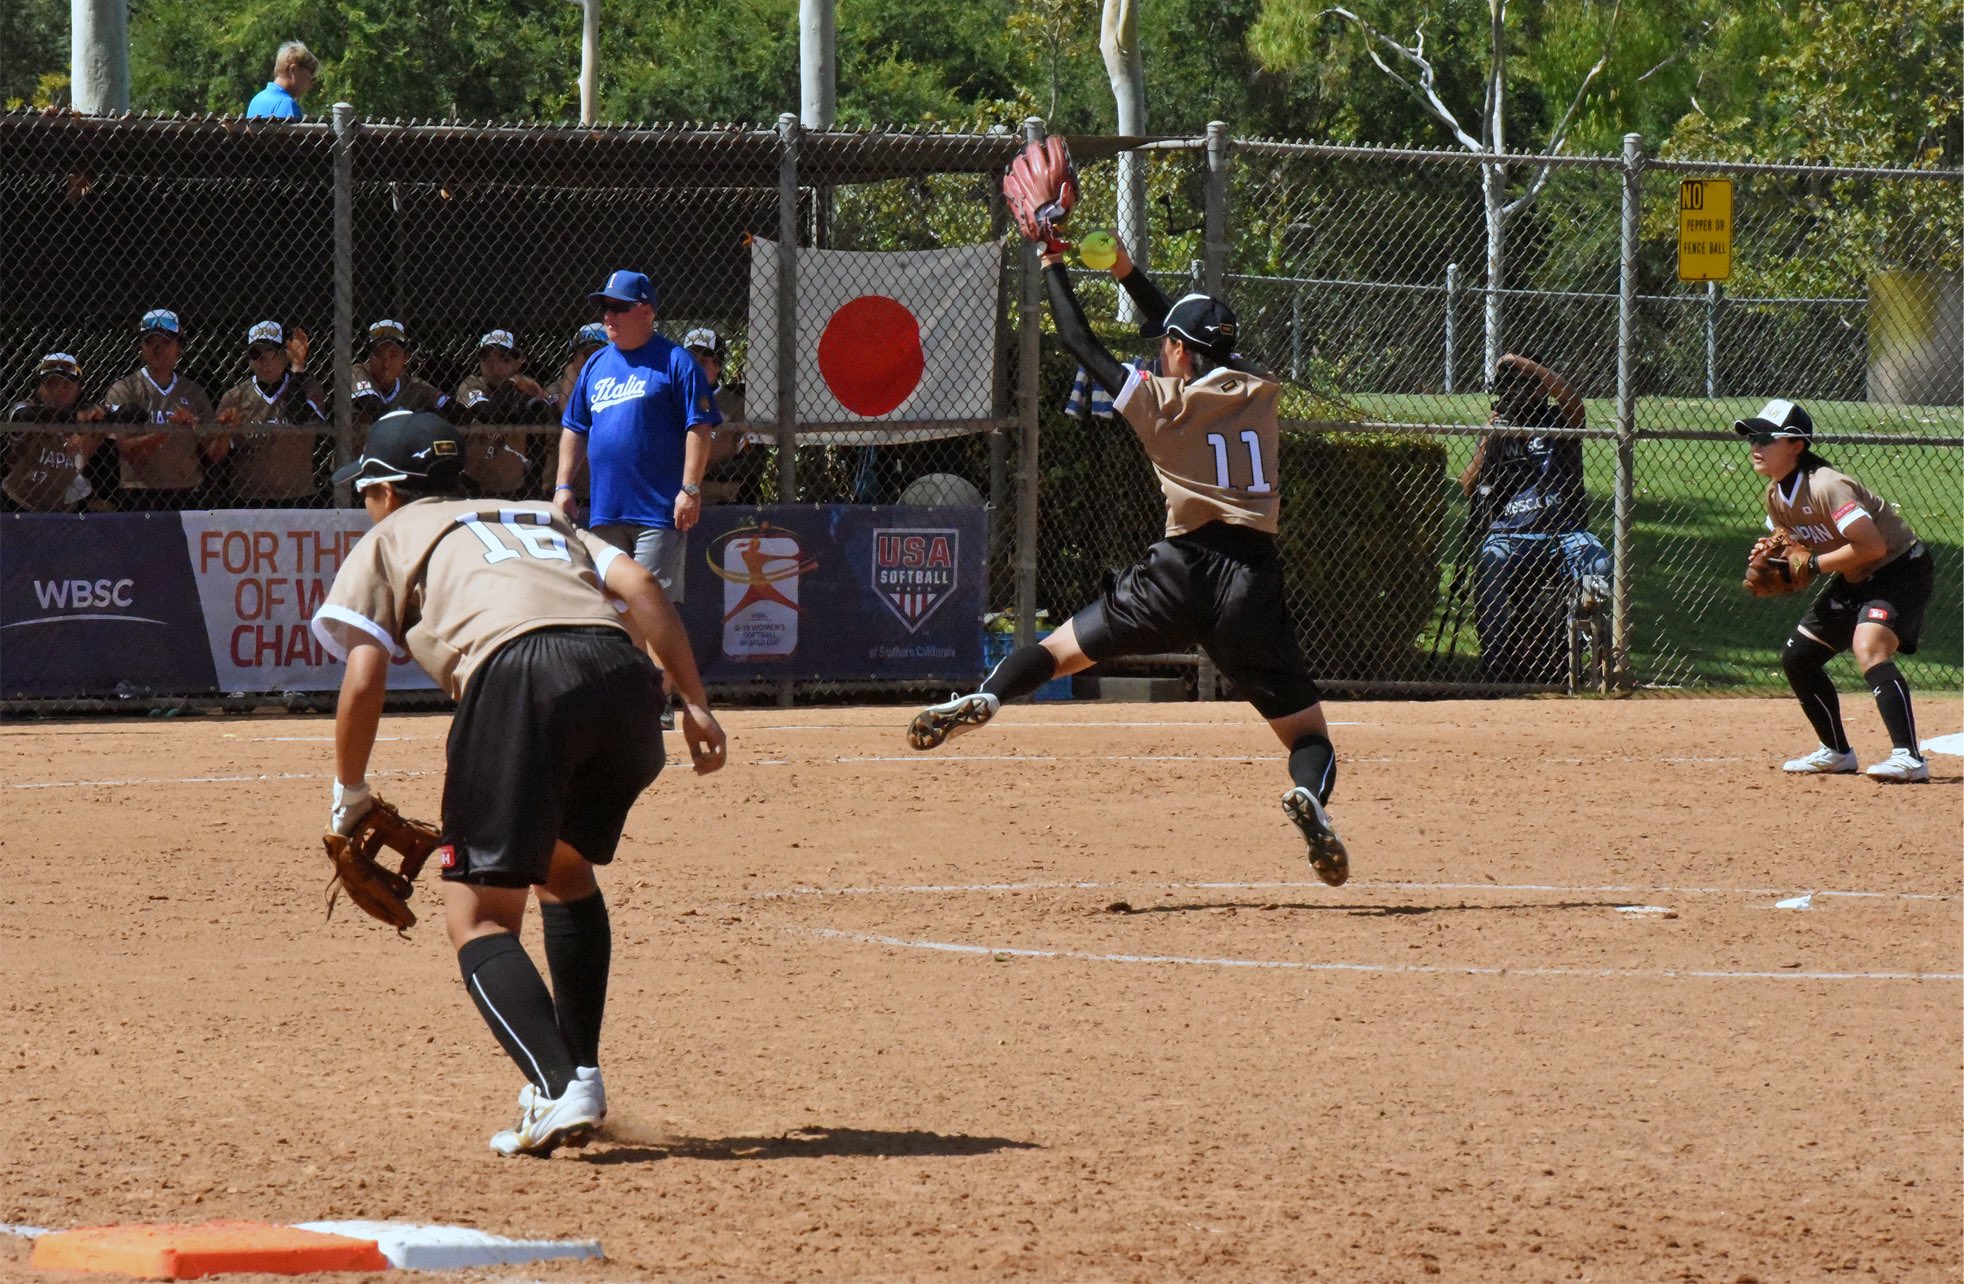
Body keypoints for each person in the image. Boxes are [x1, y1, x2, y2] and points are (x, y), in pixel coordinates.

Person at [310, 409, 727, 1156]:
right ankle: (573, 1076)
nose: (365, 504)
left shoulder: (393, 535)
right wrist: (693, 702)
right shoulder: (536, 512)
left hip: (522, 679)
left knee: (478, 919)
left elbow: (365, 672)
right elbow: (639, 586)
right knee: (565, 872)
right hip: (622, 679)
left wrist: (350, 793)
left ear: (392, 492)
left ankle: (562, 1087)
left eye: (367, 490)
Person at [906, 233, 1352, 887]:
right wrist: (1125, 271)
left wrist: (1052, 260)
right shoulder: (1260, 390)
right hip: (1250, 578)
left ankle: (988, 696)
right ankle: (1309, 798)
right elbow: (1181, 328)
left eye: (1164, 345)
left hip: (1175, 572)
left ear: (1176, 351)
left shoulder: (1161, 405)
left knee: (1059, 651)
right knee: (1309, 737)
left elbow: (1081, 344)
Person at [1739, 399, 1934, 783]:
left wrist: (1809, 564)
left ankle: (1910, 758)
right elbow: (1799, 549)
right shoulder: (1777, 496)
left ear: (1796, 445)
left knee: (1869, 646)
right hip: (1856, 575)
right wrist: (1778, 556)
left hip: (1900, 569)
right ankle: (1836, 752)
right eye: (1751, 437)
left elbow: (1873, 547)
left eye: (1766, 437)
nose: (1755, 446)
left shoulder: (1828, 486)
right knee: (1799, 657)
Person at [554, 270, 716, 614]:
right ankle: (630, 672)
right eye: (605, 308)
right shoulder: (596, 364)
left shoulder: (676, 361)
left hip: (657, 512)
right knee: (613, 612)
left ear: (647, 312)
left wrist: (690, 489)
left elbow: (699, 427)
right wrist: (563, 485)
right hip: (606, 512)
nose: (608, 316)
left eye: (618, 307)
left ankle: (660, 671)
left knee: (654, 613)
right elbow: (574, 427)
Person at [1457, 353, 1611, 684]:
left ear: (1542, 388)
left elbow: (1574, 402)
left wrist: (1525, 364)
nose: (1520, 394)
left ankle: (1588, 651)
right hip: (1509, 535)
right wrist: (1486, 441)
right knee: (1489, 561)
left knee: (1599, 565)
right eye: (1512, 386)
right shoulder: (1498, 431)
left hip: (1566, 532)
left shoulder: (1559, 422)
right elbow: (1469, 486)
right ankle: (1497, 667)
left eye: (1529, 385)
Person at [94, 309, 218, 511]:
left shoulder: (194, 392)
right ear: (141, 347)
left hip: (186, 490)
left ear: (179, 347)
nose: (158, 349)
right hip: (140, 491)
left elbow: (212, 453)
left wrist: (214, 431)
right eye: (150, 342)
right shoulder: (126, 389)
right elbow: (127, 450)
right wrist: (169, 430)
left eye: (166, 342)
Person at [213, 320, 326, 507]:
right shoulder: (235, 397)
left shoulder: (309, 388)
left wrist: (297, 366)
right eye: (256, 354)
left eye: (270, 353)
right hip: (247, 499)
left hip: (297, 498)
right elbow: (216, 457)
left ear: (284, 353)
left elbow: (297, 418)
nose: (263, 362)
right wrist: (225, 432)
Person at [454, 329, 547, 497]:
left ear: (517, 362)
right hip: (475, 486)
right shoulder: (471, 384)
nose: (492, 363)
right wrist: (513, 382)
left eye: (502, 358)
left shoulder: (525, 387)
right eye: (486, 357)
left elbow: (543, 418)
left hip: (514, 488)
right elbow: (489, 413)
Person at [4, 353, 99, 512]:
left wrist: (99, 415)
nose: (58, 391)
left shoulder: (87, 419)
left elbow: (132, 413)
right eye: (51, 384)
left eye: (66, 385)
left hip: (65, 511)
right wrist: (76, 418)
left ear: (78, 390)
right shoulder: (23, 410)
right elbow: (23, 416)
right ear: (39, 389)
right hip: (19, 506)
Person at [681, 327, 754, 504]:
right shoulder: (675, 398)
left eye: (703, 360)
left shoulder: (736, 404)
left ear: (718, 364)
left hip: (719, 493)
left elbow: (746, 458)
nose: (695, 366)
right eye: (690, 359)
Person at [350, 320, 449, 427]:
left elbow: (454, 409)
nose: (386, 363)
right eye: (379, 354)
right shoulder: (357, 373)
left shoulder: (410, 384)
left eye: (393, 355)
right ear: (369, 357)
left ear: (405, 357)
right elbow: (372, 407)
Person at [246, 41, 317, 120]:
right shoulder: (286, 103)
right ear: (293, 70)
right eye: (310, 77)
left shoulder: (256, 99)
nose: (311, 84)